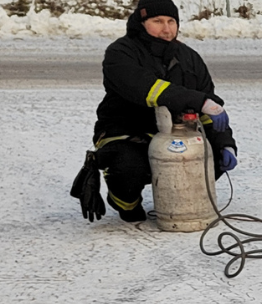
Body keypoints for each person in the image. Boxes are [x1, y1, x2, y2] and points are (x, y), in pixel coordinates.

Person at [71, 0, 238, 223]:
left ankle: (176, 203)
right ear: (141, 23)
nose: (166, 28)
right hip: (127, 131)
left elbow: (207, 108)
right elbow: (147, 88)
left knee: (209, 155)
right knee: (129, 166)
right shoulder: (120, 53)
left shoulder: (190, 58)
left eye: (171, 21)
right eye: (157, 21)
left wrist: (225, 144)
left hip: (175, 134)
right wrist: (200, 101)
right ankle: (124, 201)